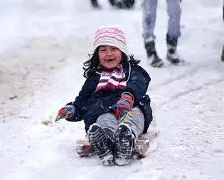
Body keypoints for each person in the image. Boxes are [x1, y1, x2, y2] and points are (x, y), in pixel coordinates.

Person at [55, 26, 153, 166]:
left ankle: (126, 138)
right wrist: (71, 110)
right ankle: (104, 142)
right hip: (104, 109)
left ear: (122, 51)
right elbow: (82, 101)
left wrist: (128, 97)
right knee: (104, 120)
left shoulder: (131, 70)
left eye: (114, 49)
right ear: (97, 54)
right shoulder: (95, 77)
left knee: (133, 117)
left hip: (131, 106)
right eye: (103, 50)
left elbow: (138, 83)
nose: (108, 54)